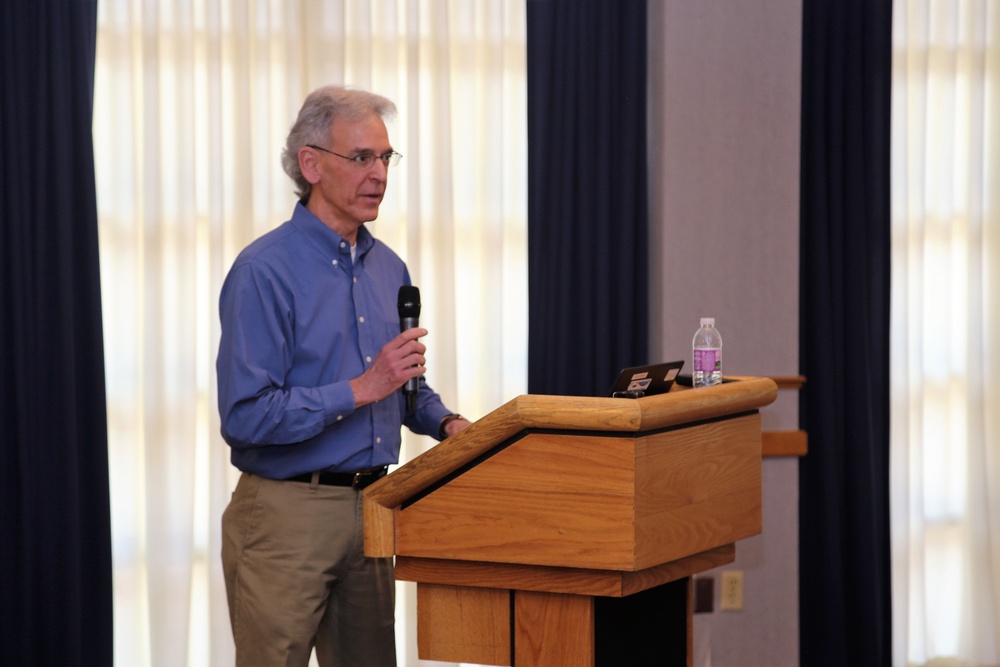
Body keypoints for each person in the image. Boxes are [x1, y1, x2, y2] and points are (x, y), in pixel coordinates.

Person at [216, 85, 471, 667]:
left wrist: (448, 423)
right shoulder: (263, 271)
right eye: (362, 158)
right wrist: (361, 388)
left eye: (386, 158)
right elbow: (245, 416)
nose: (379, 173)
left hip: (376, 507)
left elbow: (401, 384)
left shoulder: (390, 267)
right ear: (312, 164)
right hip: (287, 515)